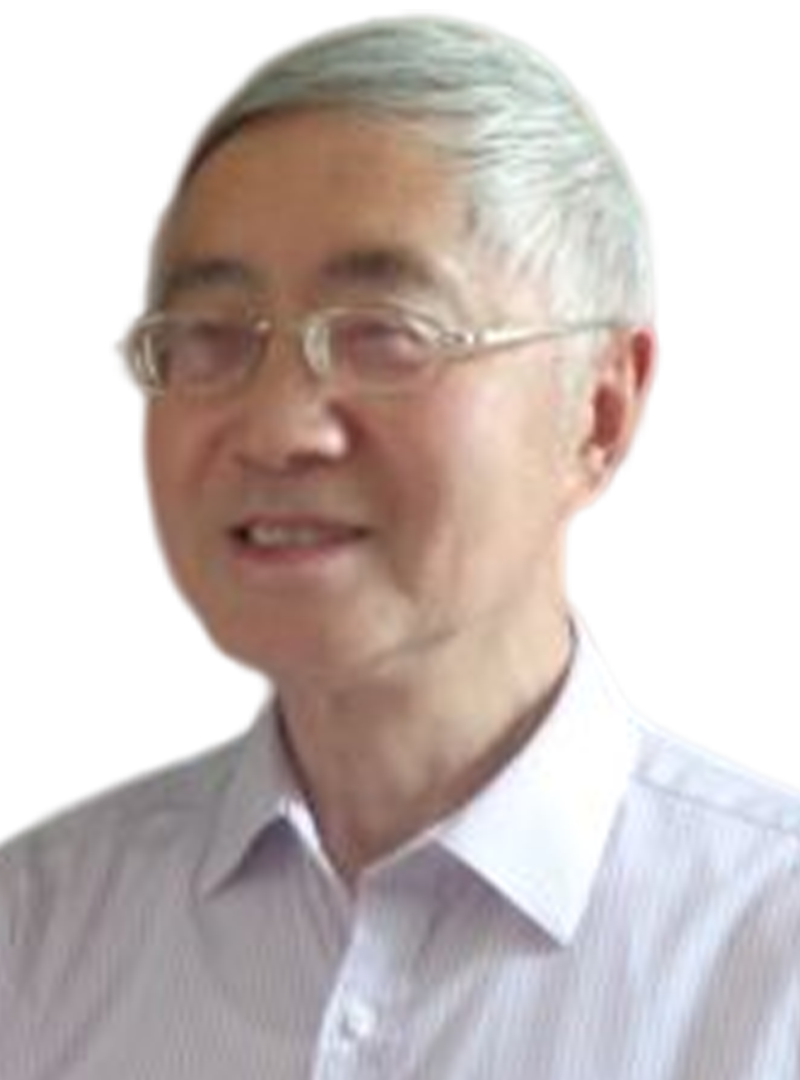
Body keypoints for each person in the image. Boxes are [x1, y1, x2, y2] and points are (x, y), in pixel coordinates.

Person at [1, 16, 798, 1079]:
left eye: (383, 334)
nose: (279, 428)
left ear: (596, 412)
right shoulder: (37, 935)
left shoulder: (766, 959)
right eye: (212, 337)